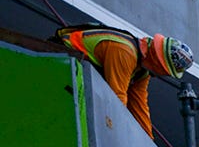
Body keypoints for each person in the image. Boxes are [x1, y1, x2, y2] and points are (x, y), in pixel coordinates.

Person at [53, 27, 191, 138]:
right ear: (158, 62)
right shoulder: (125, 51)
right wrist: (116, 134)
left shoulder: (142, 70)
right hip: (60, 59)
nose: (163, 75)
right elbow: (116, 98)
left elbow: (140, 107)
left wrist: (148, 143)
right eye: (165, 71)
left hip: (76, 72)